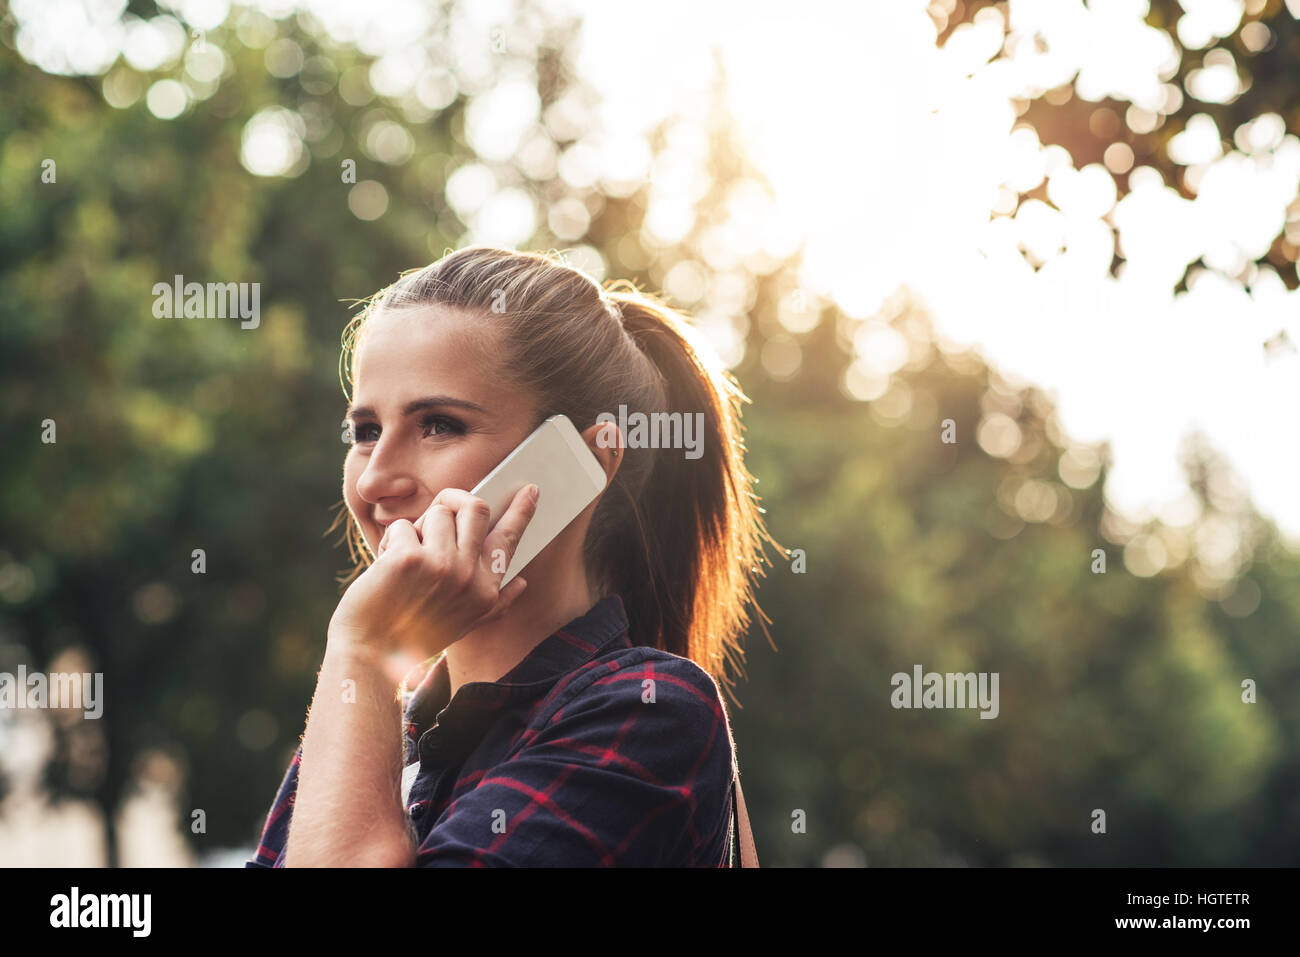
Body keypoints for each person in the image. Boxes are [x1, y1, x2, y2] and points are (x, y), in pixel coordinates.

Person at [245, 245, 778, 867]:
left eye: (439, 424)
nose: (373, 480)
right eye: (365, 432)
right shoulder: (370, 724)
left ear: (585, 462)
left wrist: (364, 649)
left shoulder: (652, 713)